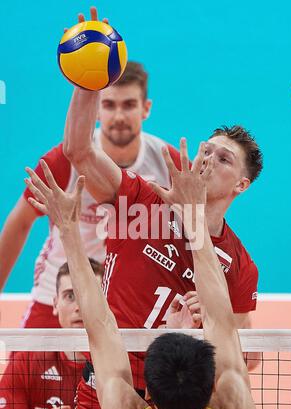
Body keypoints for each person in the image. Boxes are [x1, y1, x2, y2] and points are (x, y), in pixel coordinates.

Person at [59, 20, 262, 409]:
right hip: (110, 392)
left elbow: (250, 356)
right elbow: (79, 151)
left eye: (223, 159)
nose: (207, 159)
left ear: (241, 185)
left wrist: (208, 323)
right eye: (206, 150)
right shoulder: (141, 200)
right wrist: (88, 81)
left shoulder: (239, 264)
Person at [25, 145, 257, 409]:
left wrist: (69, 230)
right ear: (211, 396)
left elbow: (101, 328)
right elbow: (225, 335)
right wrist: (196, 217)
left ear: (147, 397)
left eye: (223, 158)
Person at [0, 9, 181, 329]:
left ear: (146, 109)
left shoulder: (168, 162)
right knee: (19, 380)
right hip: (60, 292)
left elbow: (193, 232)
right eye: (109, 105)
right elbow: (18, 223)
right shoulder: (64, 161)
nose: (119, 115)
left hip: (123, 297)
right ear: (96, 109)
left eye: (128, 105)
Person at [0, 258, 102, 409]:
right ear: (55, 304)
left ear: (105, 302)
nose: (79, 307)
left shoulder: (125, 362)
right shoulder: (28, 361)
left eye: (88, 295)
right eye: (70, 296)